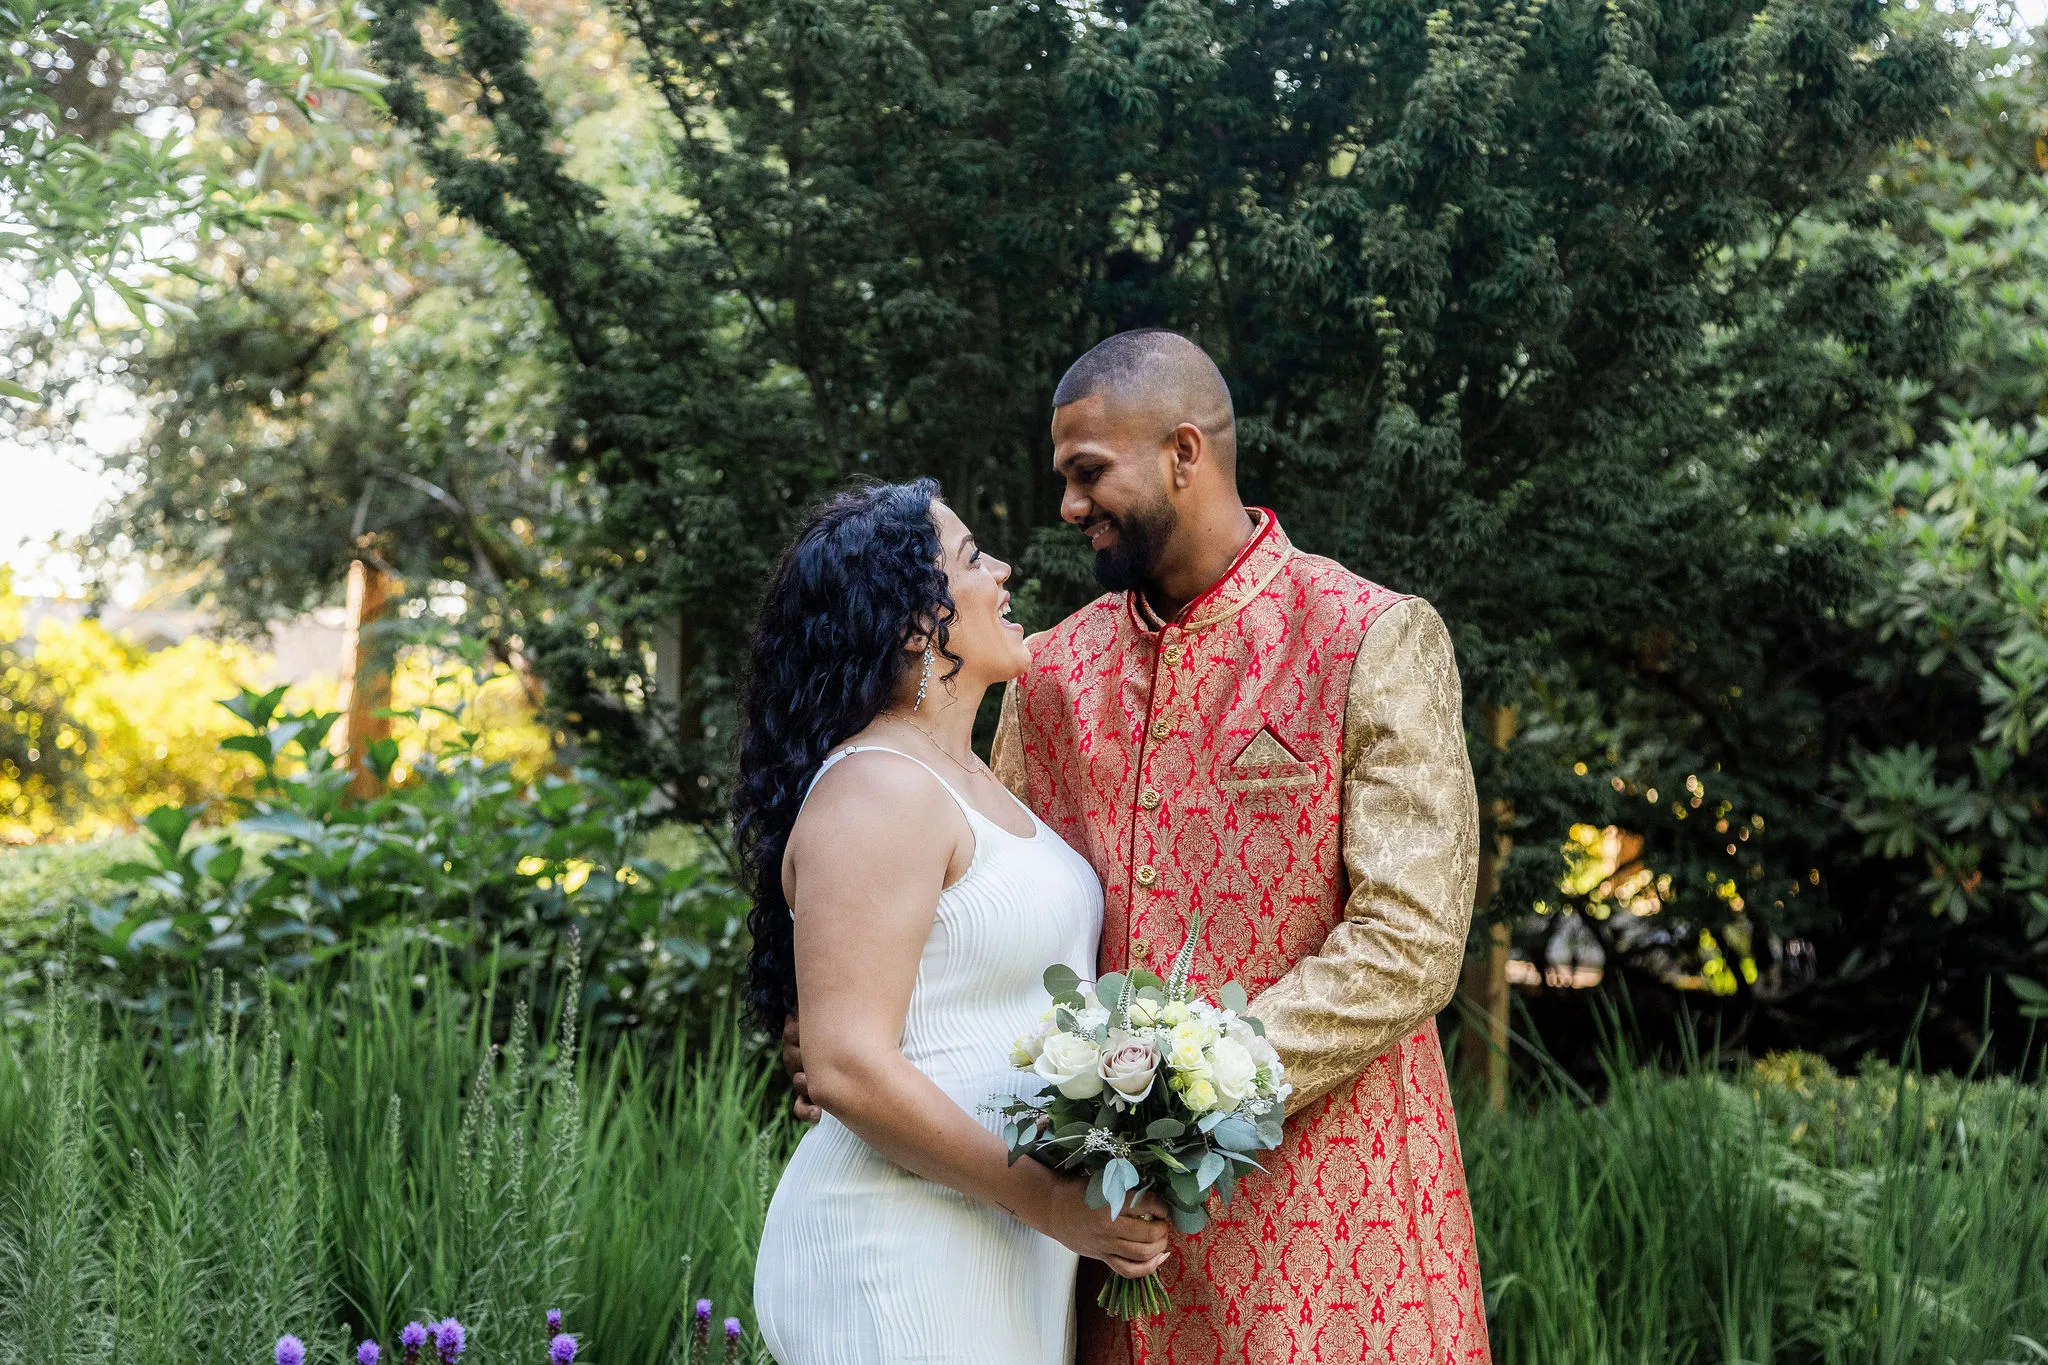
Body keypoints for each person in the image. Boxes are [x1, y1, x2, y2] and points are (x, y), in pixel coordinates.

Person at [786, 333, 1490, 1363]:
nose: (1068, 507)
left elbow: (1409, 944)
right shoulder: (1050, 676)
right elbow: (983, 916)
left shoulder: (1365, 637)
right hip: (1102, 1249)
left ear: (1183, 452)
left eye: (1087, 472)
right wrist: (855, 1042)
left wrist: (1179, 1090)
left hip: (1331, 1222)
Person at [740, 479, 1172, 1365]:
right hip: (898, 1241)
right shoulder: (877, 786)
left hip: (993, 1240)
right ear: (912, 621)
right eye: (972, 558)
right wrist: (1051, 1203)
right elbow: (848, 1064)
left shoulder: (968, 779)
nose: (1004, 569)